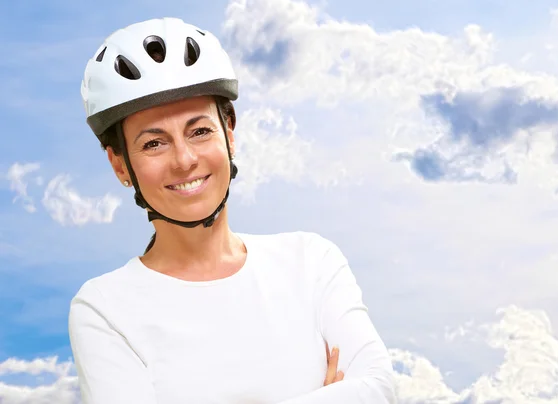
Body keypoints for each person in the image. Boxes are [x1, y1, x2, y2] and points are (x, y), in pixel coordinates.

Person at [68, 17, 397, 404]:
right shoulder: (104, 309)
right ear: (120, 164)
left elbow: (378, 387)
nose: (184, 159)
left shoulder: (311, 262)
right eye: (154, 143)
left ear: (230, 133)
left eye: (200, 131)